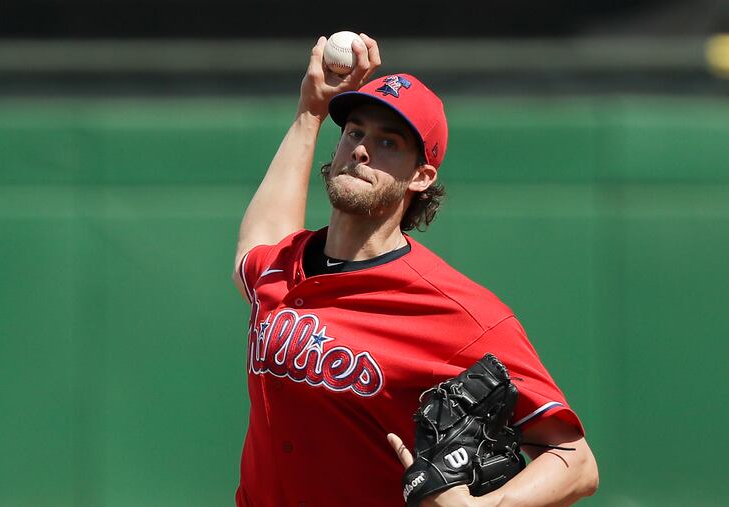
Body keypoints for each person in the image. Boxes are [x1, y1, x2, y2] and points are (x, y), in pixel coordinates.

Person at [232, 34, 599, 507]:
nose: (362, 150)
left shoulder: (459, 313)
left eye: (388, 142)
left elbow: (575, 460)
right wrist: (310, 111)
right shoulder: (281, 268)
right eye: (355, 133)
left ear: (421, 177)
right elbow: (258, 241)